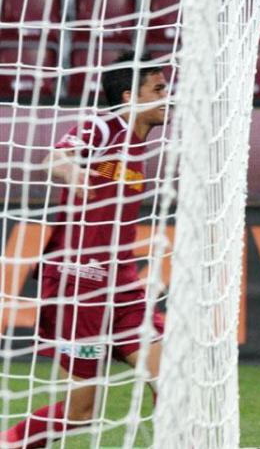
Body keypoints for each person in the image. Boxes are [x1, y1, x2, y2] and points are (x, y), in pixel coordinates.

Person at [0, 51, 168, 448]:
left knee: (175, 381)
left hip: (121, 285)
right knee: (80, 414)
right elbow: (55, 157)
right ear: (130, 97)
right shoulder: (104, 126)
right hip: (79, 286)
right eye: (158, 89)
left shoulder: (141, 146)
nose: (168, 97)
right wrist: (71, 170)